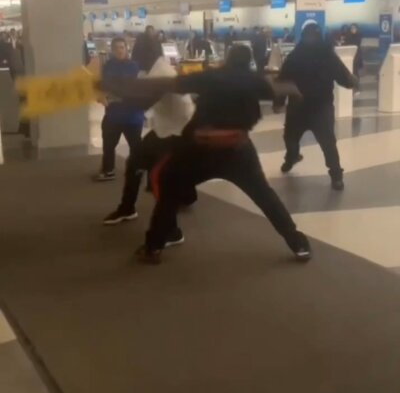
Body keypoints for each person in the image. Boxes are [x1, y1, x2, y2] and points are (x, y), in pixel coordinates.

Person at [105, 45, 311, 264]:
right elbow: (284, 89)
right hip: (238, 151)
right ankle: (297, 243)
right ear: (248, 61)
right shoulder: (255, 81)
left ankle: (153, 247)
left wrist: (118, 84)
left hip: (199, 150)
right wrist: (293, 95)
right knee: (265, 196)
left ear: (228, 58)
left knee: (168, 190)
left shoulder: (212, 77)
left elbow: (169, 84)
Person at [103, 40, 196, 225]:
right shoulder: (157, 70)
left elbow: (143, 101)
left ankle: (161, 221)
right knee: (139, 163)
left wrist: (115, 97)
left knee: (155, 171)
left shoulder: (161, 74)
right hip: (171, 128)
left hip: (177, 131)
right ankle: (130, 208)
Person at [279, 22, 356, 191]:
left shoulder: (296, 56)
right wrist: (352, 82)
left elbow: (283, 80)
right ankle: (333, 175)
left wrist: (278, 102)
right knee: (322, 141)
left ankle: (333, 174)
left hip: (304, 107)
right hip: (316, 107)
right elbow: (345, 78)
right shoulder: (325, 55)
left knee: (297, 138)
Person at [96, 36, 144, 181]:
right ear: (112, 50)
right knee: (109, 144)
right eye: (116, 48)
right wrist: (101, 96)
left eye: (122, 47)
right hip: (113, 114)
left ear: (126, 49)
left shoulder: (134, 67)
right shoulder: (107, 67)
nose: (119, 51)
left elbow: (134, 89)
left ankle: (138, 169)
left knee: (136, 146)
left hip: (132, 116)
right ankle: (108, 170)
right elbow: (102, 86)